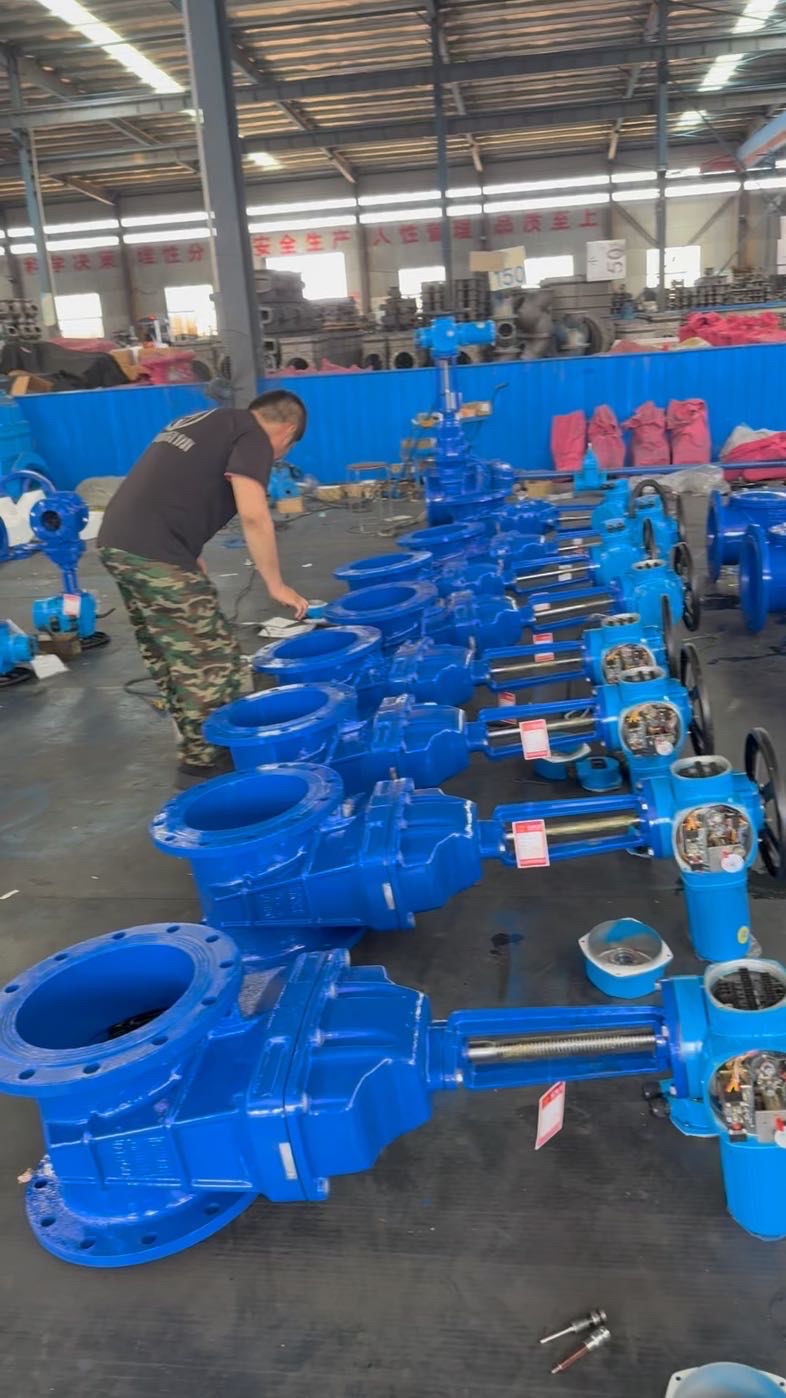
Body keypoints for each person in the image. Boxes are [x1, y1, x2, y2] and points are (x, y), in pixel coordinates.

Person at [98, 389, 308, 777]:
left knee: (170, 651)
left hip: (119, 542)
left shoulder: (209, 422)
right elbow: (254, 515)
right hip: (156, 550)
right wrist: (276, 584)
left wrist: (188, 550)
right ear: (288, 431)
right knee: (211, 657)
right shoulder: (254, 435)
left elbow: (173, 485)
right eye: (287, 448)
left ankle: (195, 746)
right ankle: (210, 760)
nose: (279, 456)